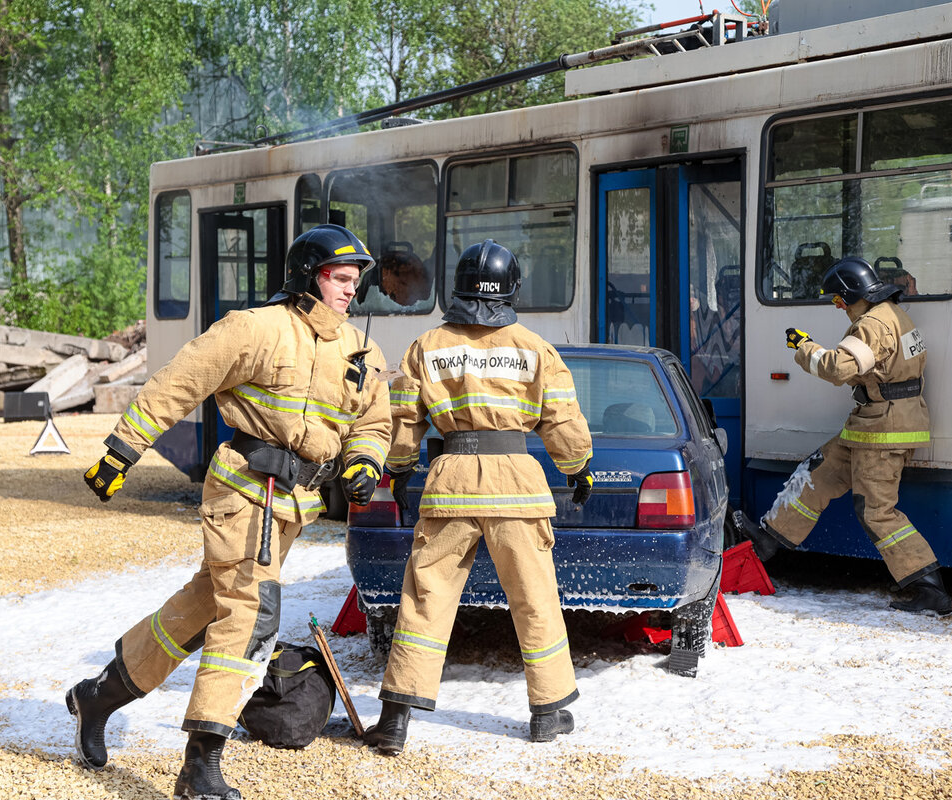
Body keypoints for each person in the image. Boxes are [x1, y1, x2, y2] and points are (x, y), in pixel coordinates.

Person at [68, 224, 391, 800]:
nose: (350, 291)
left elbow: (372, 422)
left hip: (293, 506)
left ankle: (98, 697)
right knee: (250, 613)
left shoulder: (358, 351)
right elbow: (180, 382)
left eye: (354, 281)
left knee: (203, 608)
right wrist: (121, 452)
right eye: (340, 280)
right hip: (244, 491)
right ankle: (200, 765)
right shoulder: (256, 328)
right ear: (306, 279)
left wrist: (364, 461)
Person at [362, 239, 594, 756]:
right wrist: (577, 467)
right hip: (518, 485)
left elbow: (404, 421)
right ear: (510, 289)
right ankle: (548, 712)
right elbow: (562, 419)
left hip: (451, 484)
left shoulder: (427, 346)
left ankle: (396, 721)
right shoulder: (535, 348)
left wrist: (399, 470)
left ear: (459, 287)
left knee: (425, 598)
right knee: (534, 598)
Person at [743, 256, 952, 617]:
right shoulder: (895, 315)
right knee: (817, 474)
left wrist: (805, 347)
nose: (839, 308)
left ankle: (928, 587)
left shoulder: (871, 324)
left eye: (839, 301)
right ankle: (767, 540)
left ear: (853, 294)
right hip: (874, 423)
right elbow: (884, 367)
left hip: (883, 430)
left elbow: (838, 368)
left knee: (876, 511)